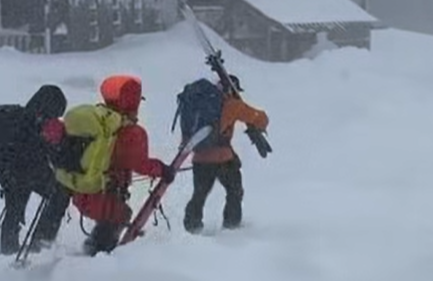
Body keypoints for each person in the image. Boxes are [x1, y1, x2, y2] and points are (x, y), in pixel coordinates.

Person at [48, 74, 174, 256]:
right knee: (119, 217)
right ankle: (100, 261)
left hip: (80, 188)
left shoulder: (101, 124)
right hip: (104, 194)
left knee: (113, 219)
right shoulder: (131, 132)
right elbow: (140, 164)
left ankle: (92, 250)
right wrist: (163, 170)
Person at [0, 84, 69, 255]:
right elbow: (45, 149)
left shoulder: (19, 117)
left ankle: (9, 250)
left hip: (9, 173)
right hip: (27, 172)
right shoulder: (38, 122)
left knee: (14, 210)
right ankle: (40, 244)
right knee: (57, 196)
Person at [181, 72, 269, 234]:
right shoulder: (232, 105)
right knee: (234, 191)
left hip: (200, 158)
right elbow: (259, 118)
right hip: (223, 159)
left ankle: (191, 228)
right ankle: (232, 227)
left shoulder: (200, 103)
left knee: (199, 194)